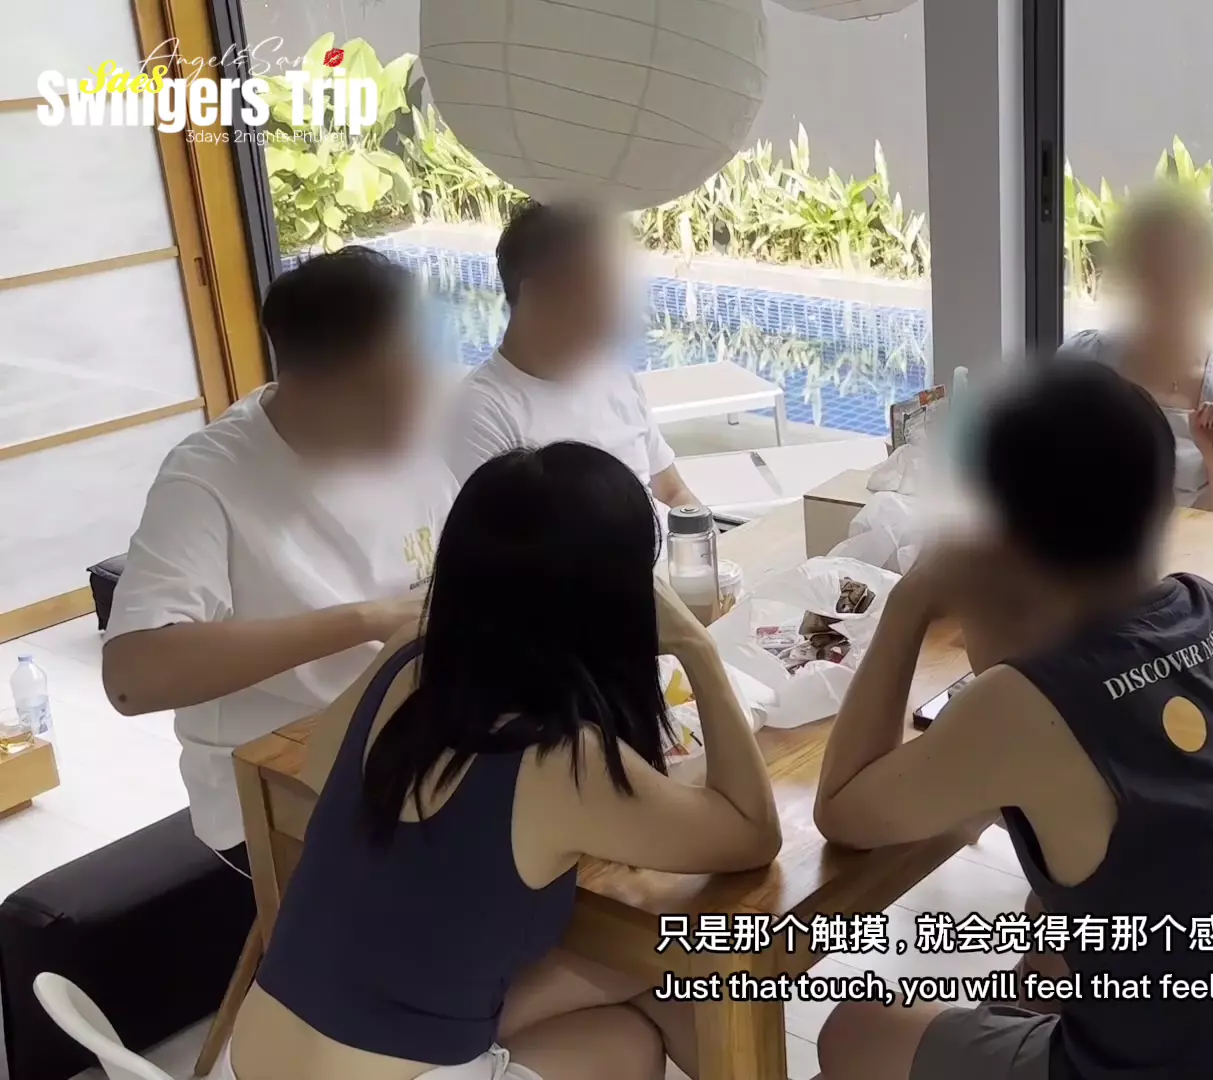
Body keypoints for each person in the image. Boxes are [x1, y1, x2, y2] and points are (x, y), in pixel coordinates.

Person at [810, 362, 1213, 1080]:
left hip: (1181, 1068)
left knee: (851, 1033)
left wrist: (911, 602)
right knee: (1052, 911)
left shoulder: (1028, 702)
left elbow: (842, 808)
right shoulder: (1212, 607)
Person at [219, 441, 782, 1080]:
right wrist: (698, 648)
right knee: (630, 1035)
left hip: (258, 1054)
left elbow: (321, 767)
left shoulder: (408, 659)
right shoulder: (562, 759)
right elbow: (752, 833)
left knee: (635, 972)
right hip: (395, 1071)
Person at [104, 246, 457, 866]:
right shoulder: (208, 479)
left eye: (420, 381)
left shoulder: (414, 443)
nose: (411, 415)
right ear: (303, 384)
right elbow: (133, 678)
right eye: (384, 395)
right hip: (278, 794)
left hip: (412, 747)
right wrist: (368, 620)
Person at [445, 200, 698, 507]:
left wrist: (704, 532)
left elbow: (672, 491)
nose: (613, 316)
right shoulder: (481, 415)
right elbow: (500, 537)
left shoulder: (616, 376)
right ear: (537, 296)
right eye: (596, 294)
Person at [1060, 190, 1213, 516]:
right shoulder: (1082, 361)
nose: (1164, 299)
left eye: (1178, 280)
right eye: (1150, 277)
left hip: (1202, 547)